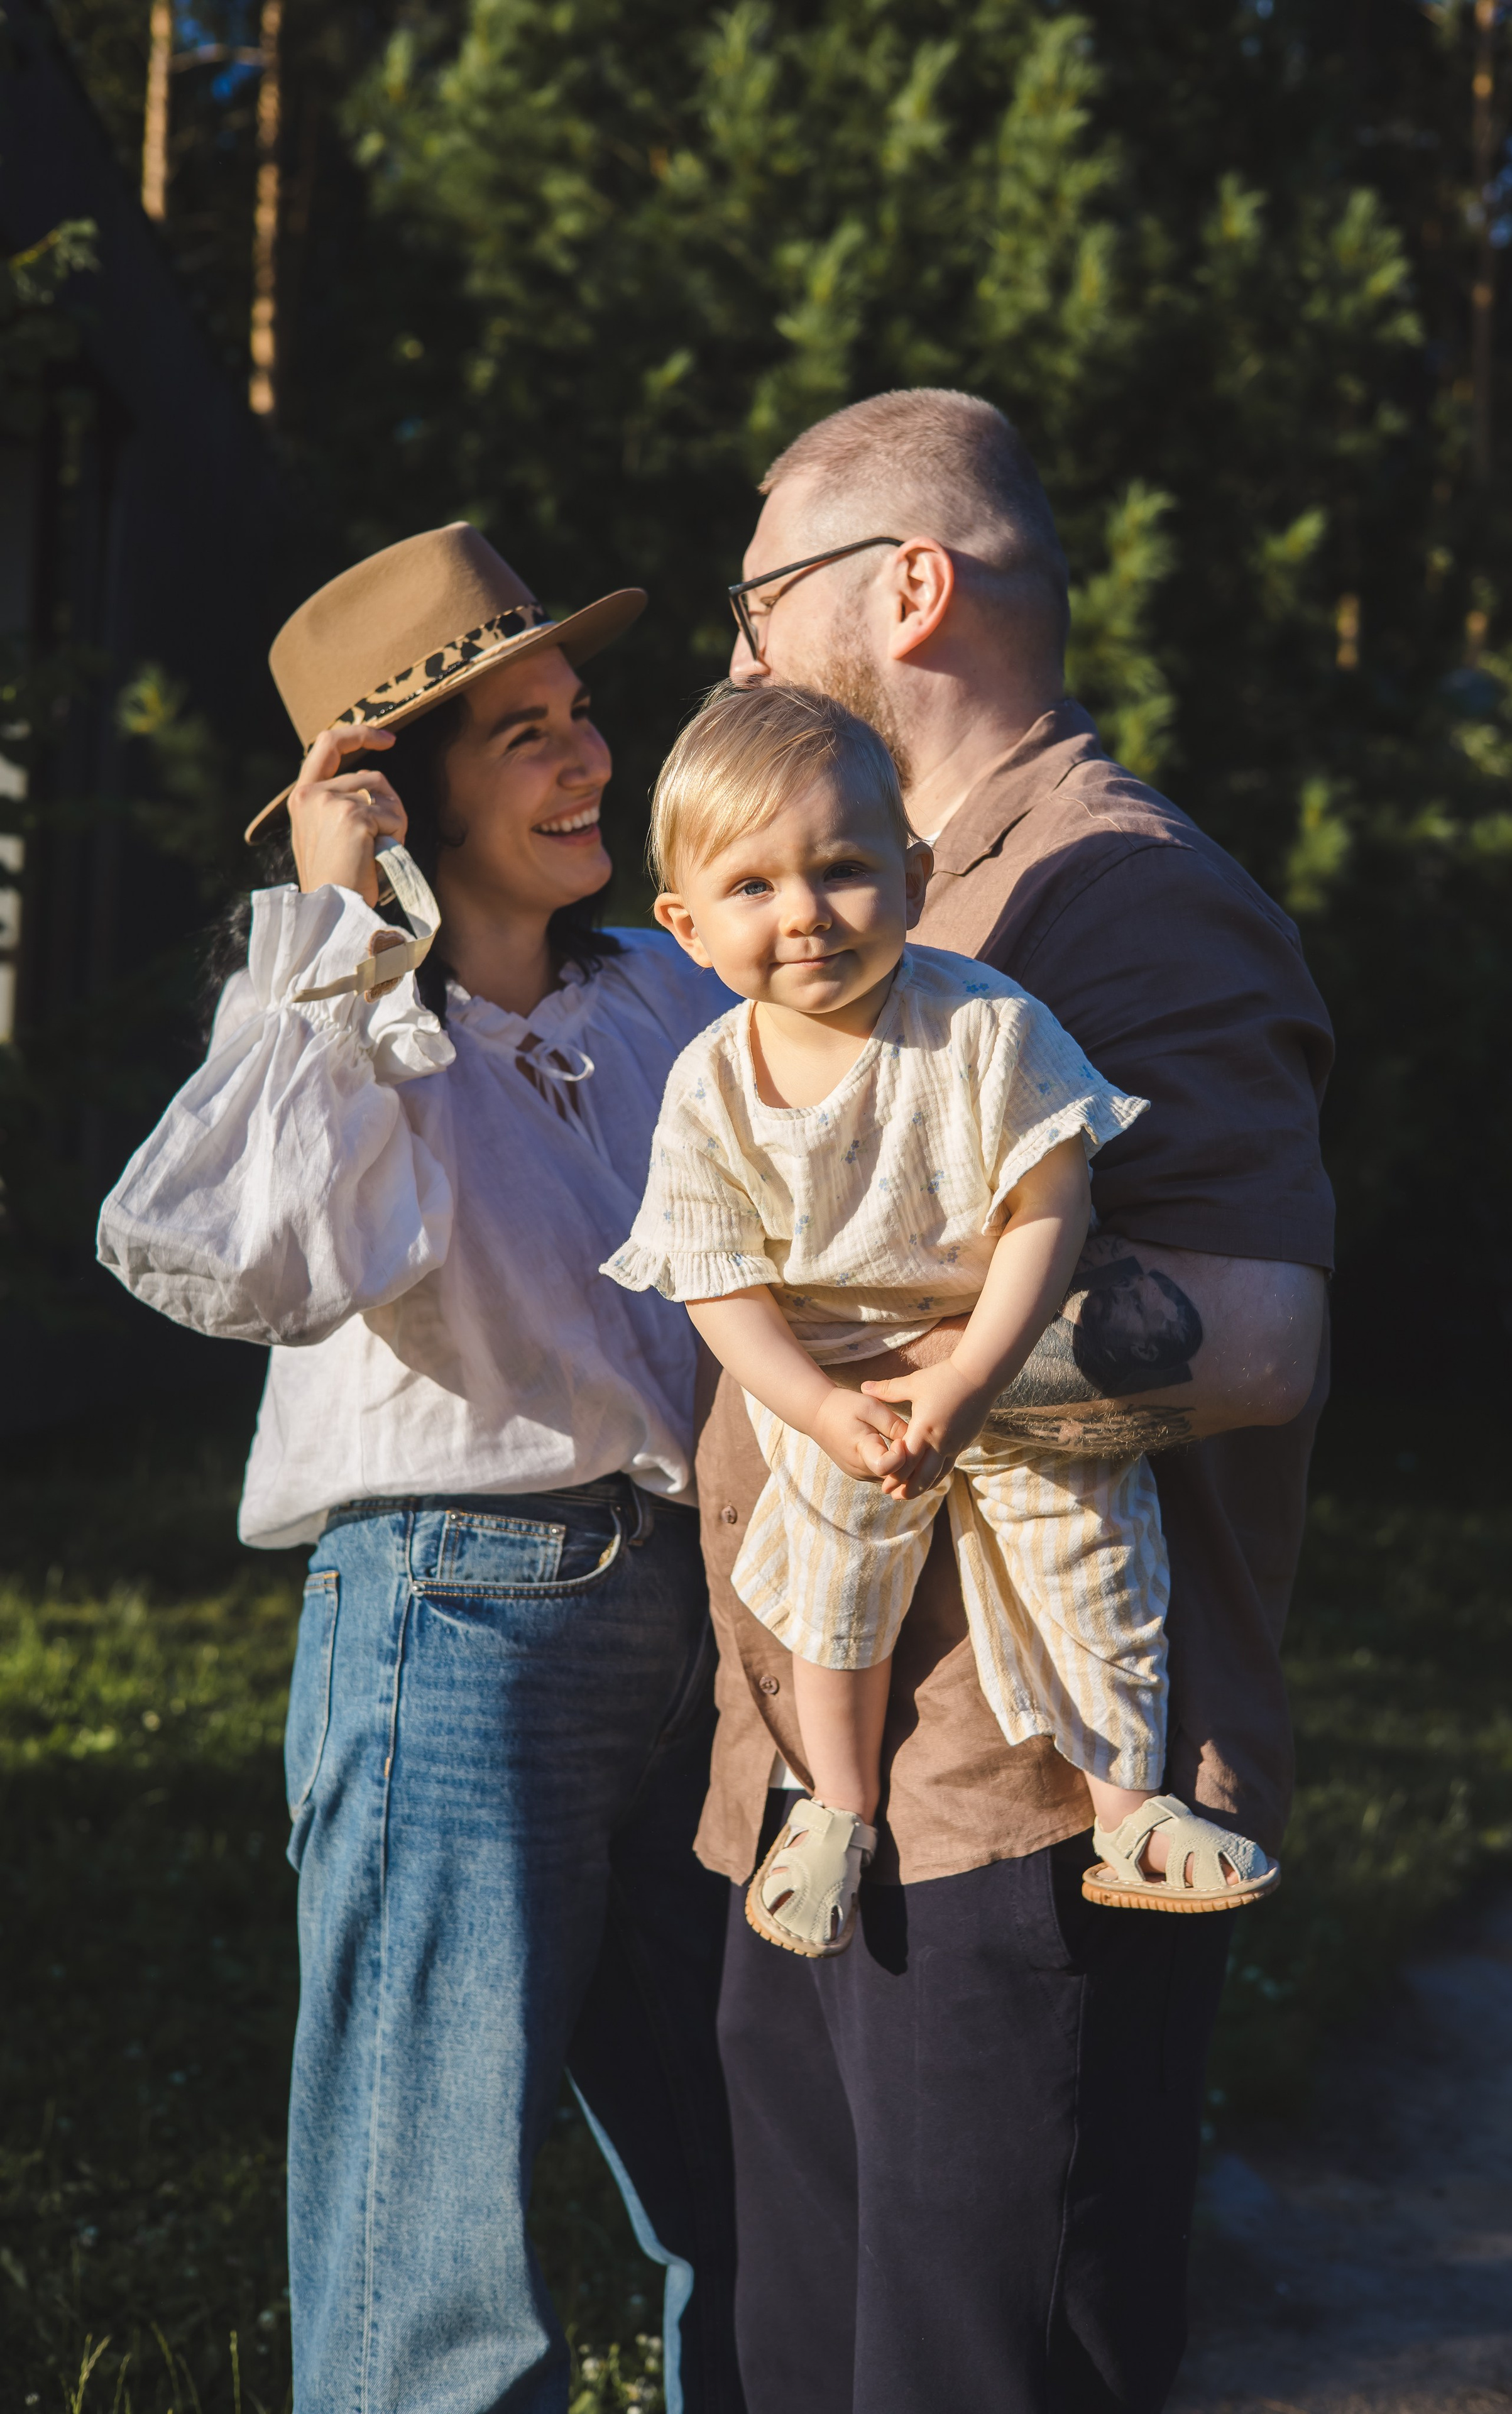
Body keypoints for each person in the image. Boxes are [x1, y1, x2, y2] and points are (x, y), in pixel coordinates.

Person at [695, 392, 1334, 2413]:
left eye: (758, 597)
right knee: (812, 2362)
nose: (733, 659)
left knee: (983, 2374)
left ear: (911, 587)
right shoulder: (887, 888)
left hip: (1028, 1815)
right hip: (840, 1786)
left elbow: (1250, 1333)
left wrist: (888, 1376)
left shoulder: (1117, 896)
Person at [97, 524, 743, 2414]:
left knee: (770, 2191)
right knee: (437, 2246)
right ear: (395, 791)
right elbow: (233, 1259)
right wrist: (338, 929)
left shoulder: (663, 1004)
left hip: (711, 1630)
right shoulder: (346, 1030)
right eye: (522, 732)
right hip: (461, 1620)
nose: (589, 758)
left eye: (582, 714)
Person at [606, 680, 1276, 1958]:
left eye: (843, 868)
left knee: (1091, 1550)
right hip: (834, 1382)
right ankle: (836, 1806)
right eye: (752, 889)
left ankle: (1130, 1811)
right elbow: (711, 1274)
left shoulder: (977, 1022)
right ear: (685, 927)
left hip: (1001, 1353)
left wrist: (976, 1373)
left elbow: (1048, 1202)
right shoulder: (707, 1084)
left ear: (913, 875)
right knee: (832, 1578)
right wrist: (811, 1403)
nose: (803, 913)